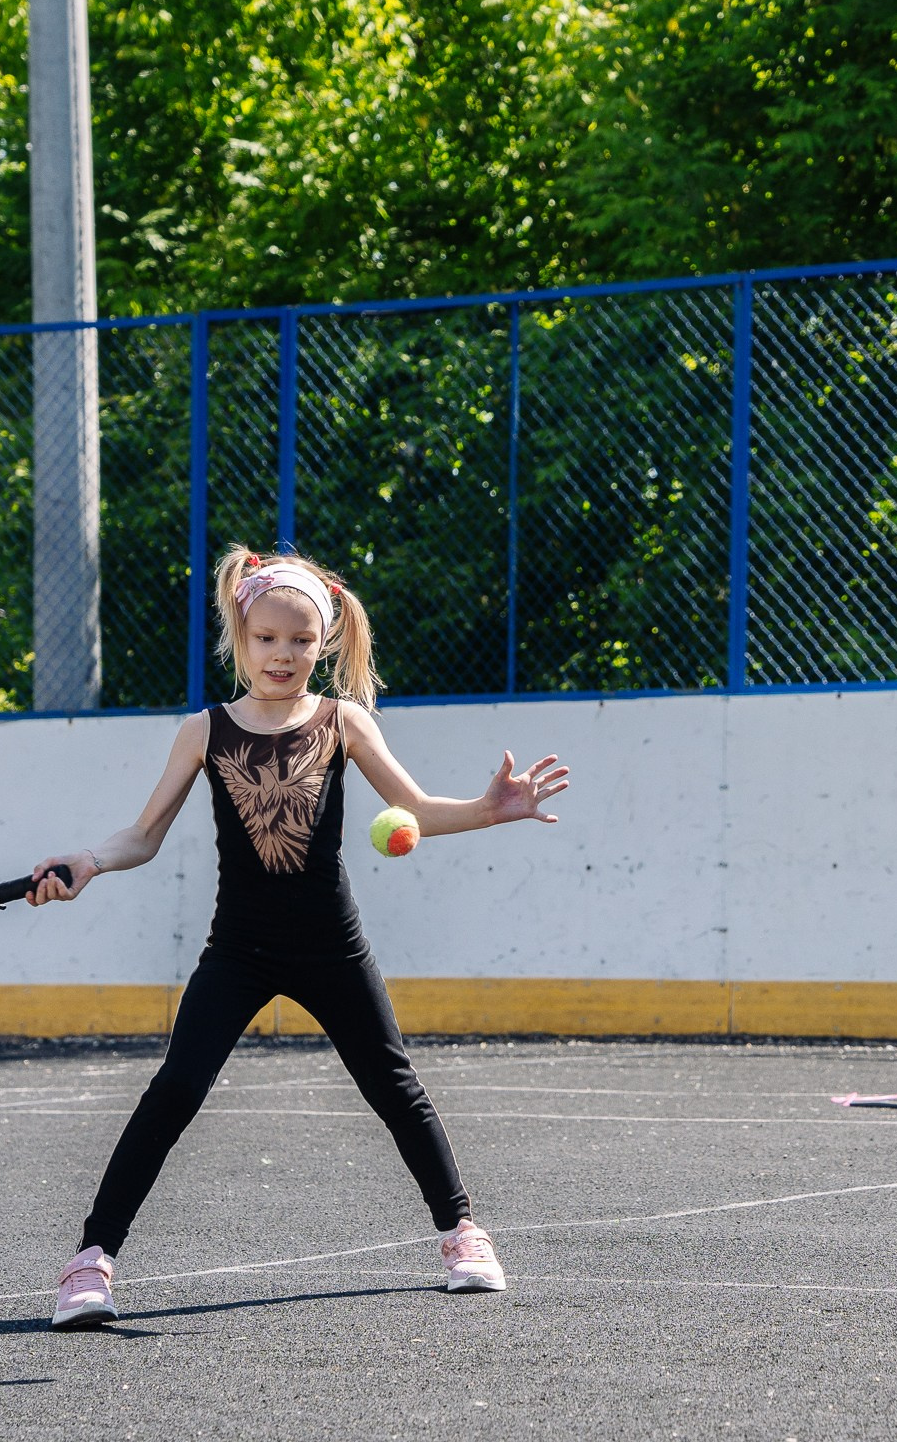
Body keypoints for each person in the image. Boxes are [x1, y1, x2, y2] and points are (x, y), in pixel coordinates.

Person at [32, 547, 571, 1329]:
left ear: (325, 643)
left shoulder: (341, 721)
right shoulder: (204, 731)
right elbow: (142, 836)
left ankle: (461, 1233)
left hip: (332, 945)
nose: (283, 655)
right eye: (267, 639)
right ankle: (89, 1264)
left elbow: (416, 805)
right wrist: (89, 860)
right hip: (239, 949)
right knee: (176, 1090)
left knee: (394, 1086)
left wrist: (490, 809)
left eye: (301, 641)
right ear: (239, 635)